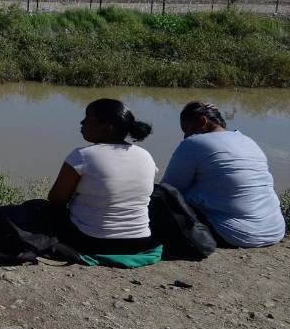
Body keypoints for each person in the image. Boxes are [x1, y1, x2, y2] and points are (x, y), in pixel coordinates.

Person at [161, 102, 285, 248]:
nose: (185, 135)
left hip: (237, 234)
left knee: (162, 200)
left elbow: (167, 190)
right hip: (275, 229)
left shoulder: (193, 143)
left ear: (202, 121)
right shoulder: (247, 140)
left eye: (186, 129)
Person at [47, 98, 158, 255]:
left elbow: (56, 200)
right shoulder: (146, 155)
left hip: (93, 241)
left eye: (87, 118)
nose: (82, 122)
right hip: (140, 241)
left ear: (107, 129)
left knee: (39, 209)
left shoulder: (82, 156)